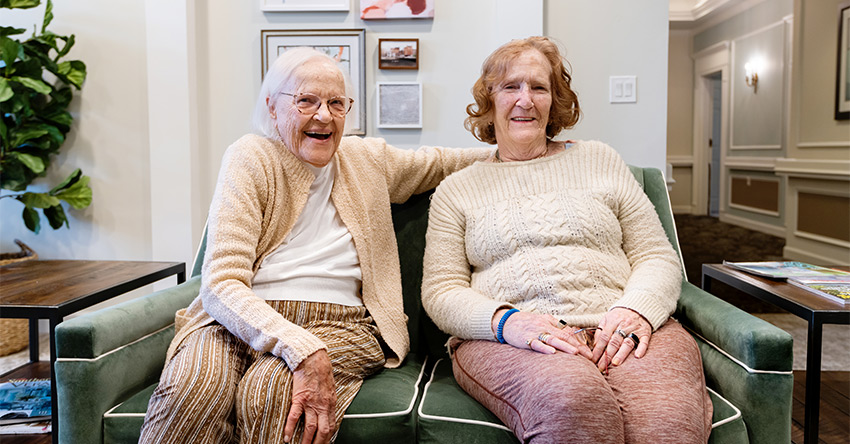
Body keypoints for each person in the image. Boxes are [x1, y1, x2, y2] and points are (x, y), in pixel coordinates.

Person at [140, 47, 488, 444]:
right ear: (273, 107)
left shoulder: (366, 159)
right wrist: (297, 345)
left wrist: (525, 151)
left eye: (336, 103)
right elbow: (220, 282)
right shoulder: (250, 157)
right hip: (238, 320)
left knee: (270, 390)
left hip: (341, 323)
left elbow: (441, 162)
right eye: (306, 100)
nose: (324, 115)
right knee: (193, 388)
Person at [421, 37, 712, 444]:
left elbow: (656, 255)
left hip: (625, 324)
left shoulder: (600, 159)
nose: (526, 100)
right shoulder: (457, 190)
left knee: (666, 422)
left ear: (555, 101)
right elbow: (441, 290)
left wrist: (635, 310)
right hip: (518, 339)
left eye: (539, 88)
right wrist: (509, 323)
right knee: (574, 400)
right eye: (510, 87)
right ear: (489, 101)